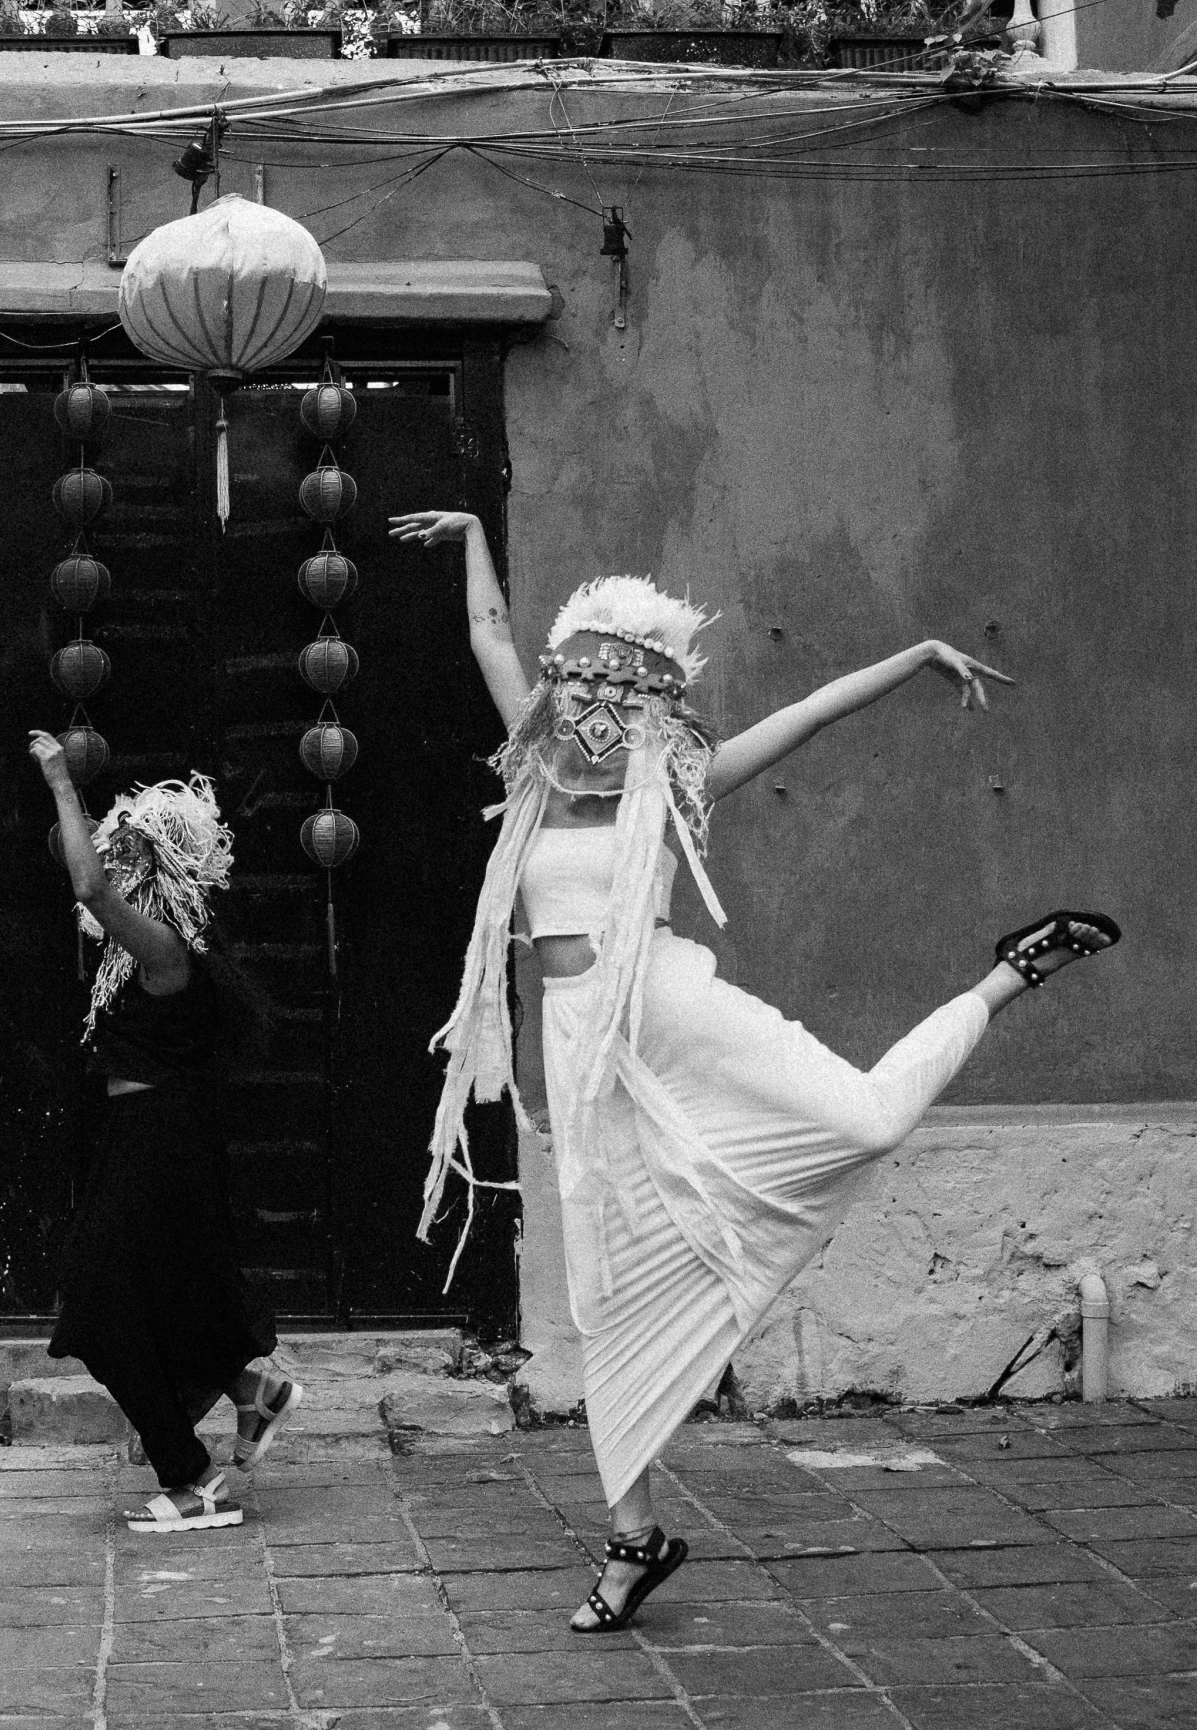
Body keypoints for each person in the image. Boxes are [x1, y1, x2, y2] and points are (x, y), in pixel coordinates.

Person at [388, 513, 1119, 1634]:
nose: (592, 720)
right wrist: (477, 533)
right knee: (600, 1291)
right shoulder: (531, 761)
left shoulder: (679, 783)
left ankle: (1007, 977)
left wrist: (918, 654)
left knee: (866, 1122)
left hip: (671, 1003)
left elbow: (809, 713)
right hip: (582, 1043)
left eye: (616, 704)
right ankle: (632, 1538)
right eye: (577, 696)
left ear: (647, 715)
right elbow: (489, 633)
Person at [29, 732, 301, 1532]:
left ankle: (192, 1478)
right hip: (141, 1136)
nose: (108, 864)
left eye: (124, 854)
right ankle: (252, 1394)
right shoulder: (139, 960)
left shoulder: (165, 952)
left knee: (99, 1304)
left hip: (162, 1143)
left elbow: (83, 883)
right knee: (156, 1296)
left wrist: (58, 780)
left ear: (154, 869)